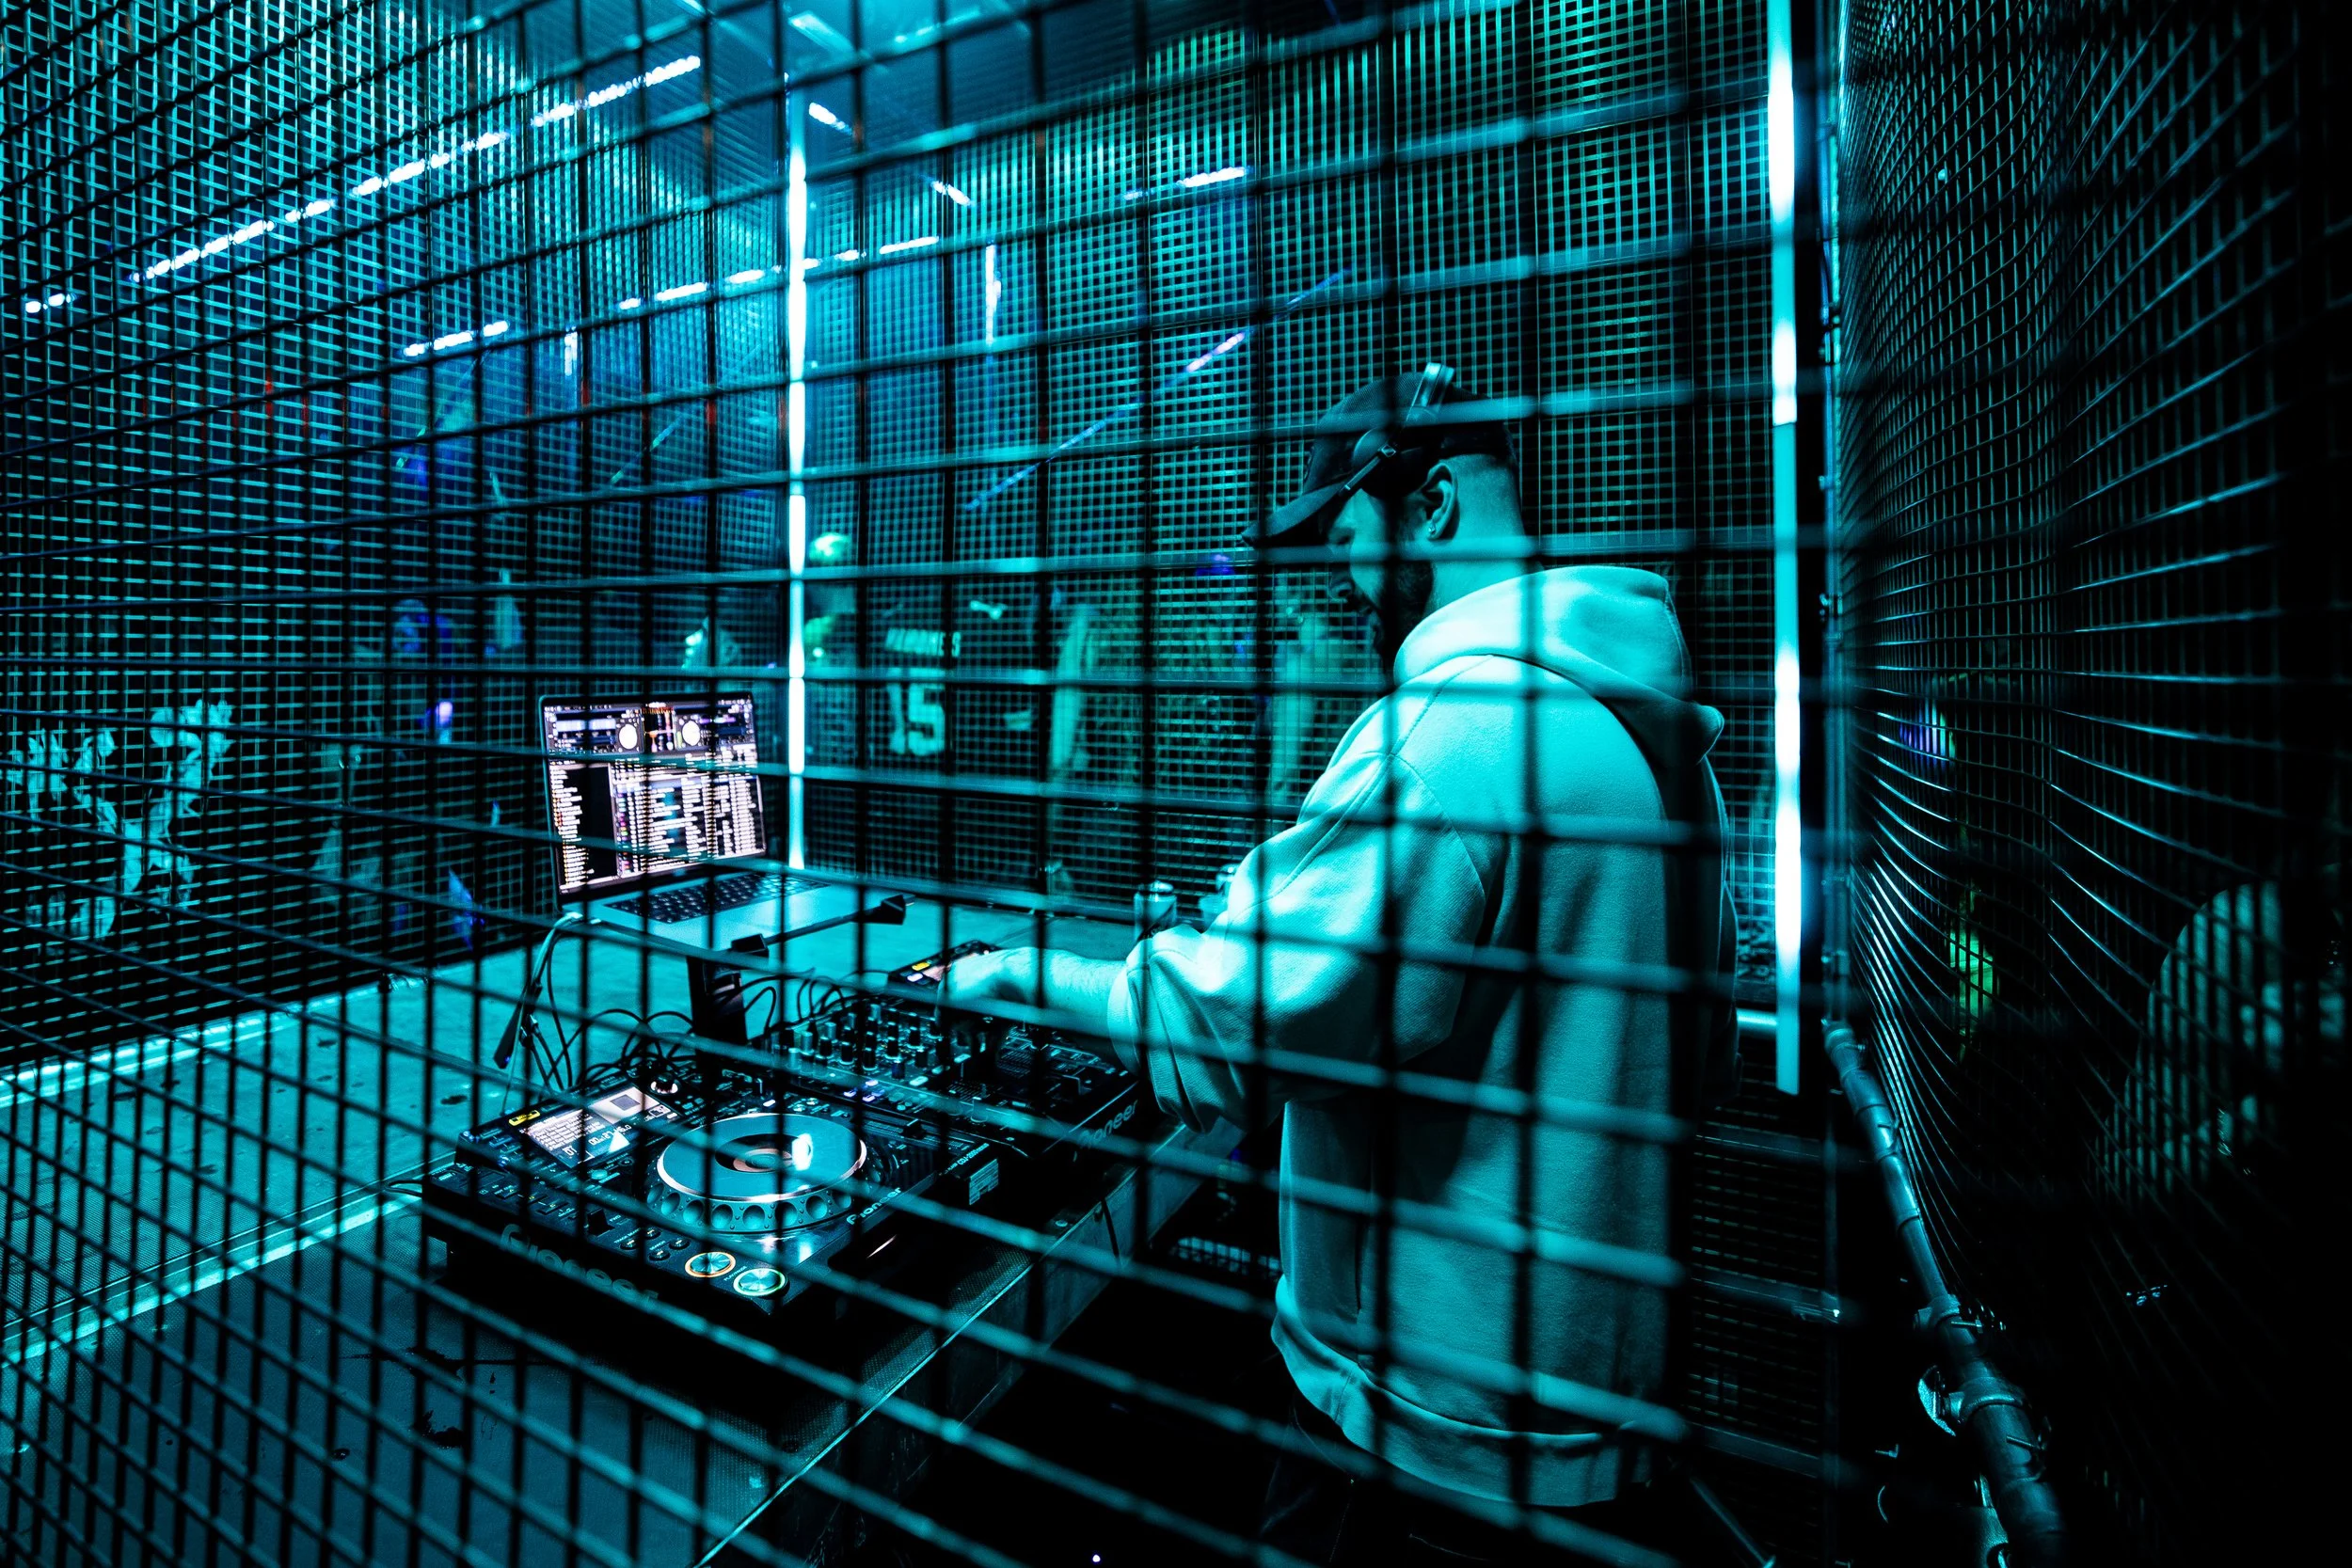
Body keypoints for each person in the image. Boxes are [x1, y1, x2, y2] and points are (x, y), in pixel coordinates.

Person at [941, 367, 1740, 1561]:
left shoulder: (1455, 731)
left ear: (1430, 507)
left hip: (1423, 1437)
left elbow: (1238, 1025)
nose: (1343, 574)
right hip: (1591, 1415)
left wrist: (1017, 974)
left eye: (1351, 532)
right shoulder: (1657, 746)